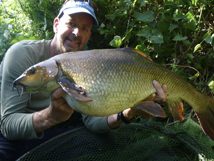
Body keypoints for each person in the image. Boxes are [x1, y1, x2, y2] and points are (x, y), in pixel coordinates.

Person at [0, 0, 167, 160]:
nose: (76, 33)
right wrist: (50, 117)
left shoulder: (88, 64)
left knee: (104, 143)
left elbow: (91, 121)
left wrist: (128, 112)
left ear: (88, 35)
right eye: (71, 24)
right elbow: (8, 125)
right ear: (56, 24)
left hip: (55, 134)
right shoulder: (21, 55)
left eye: (84, 28)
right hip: (14, 138)